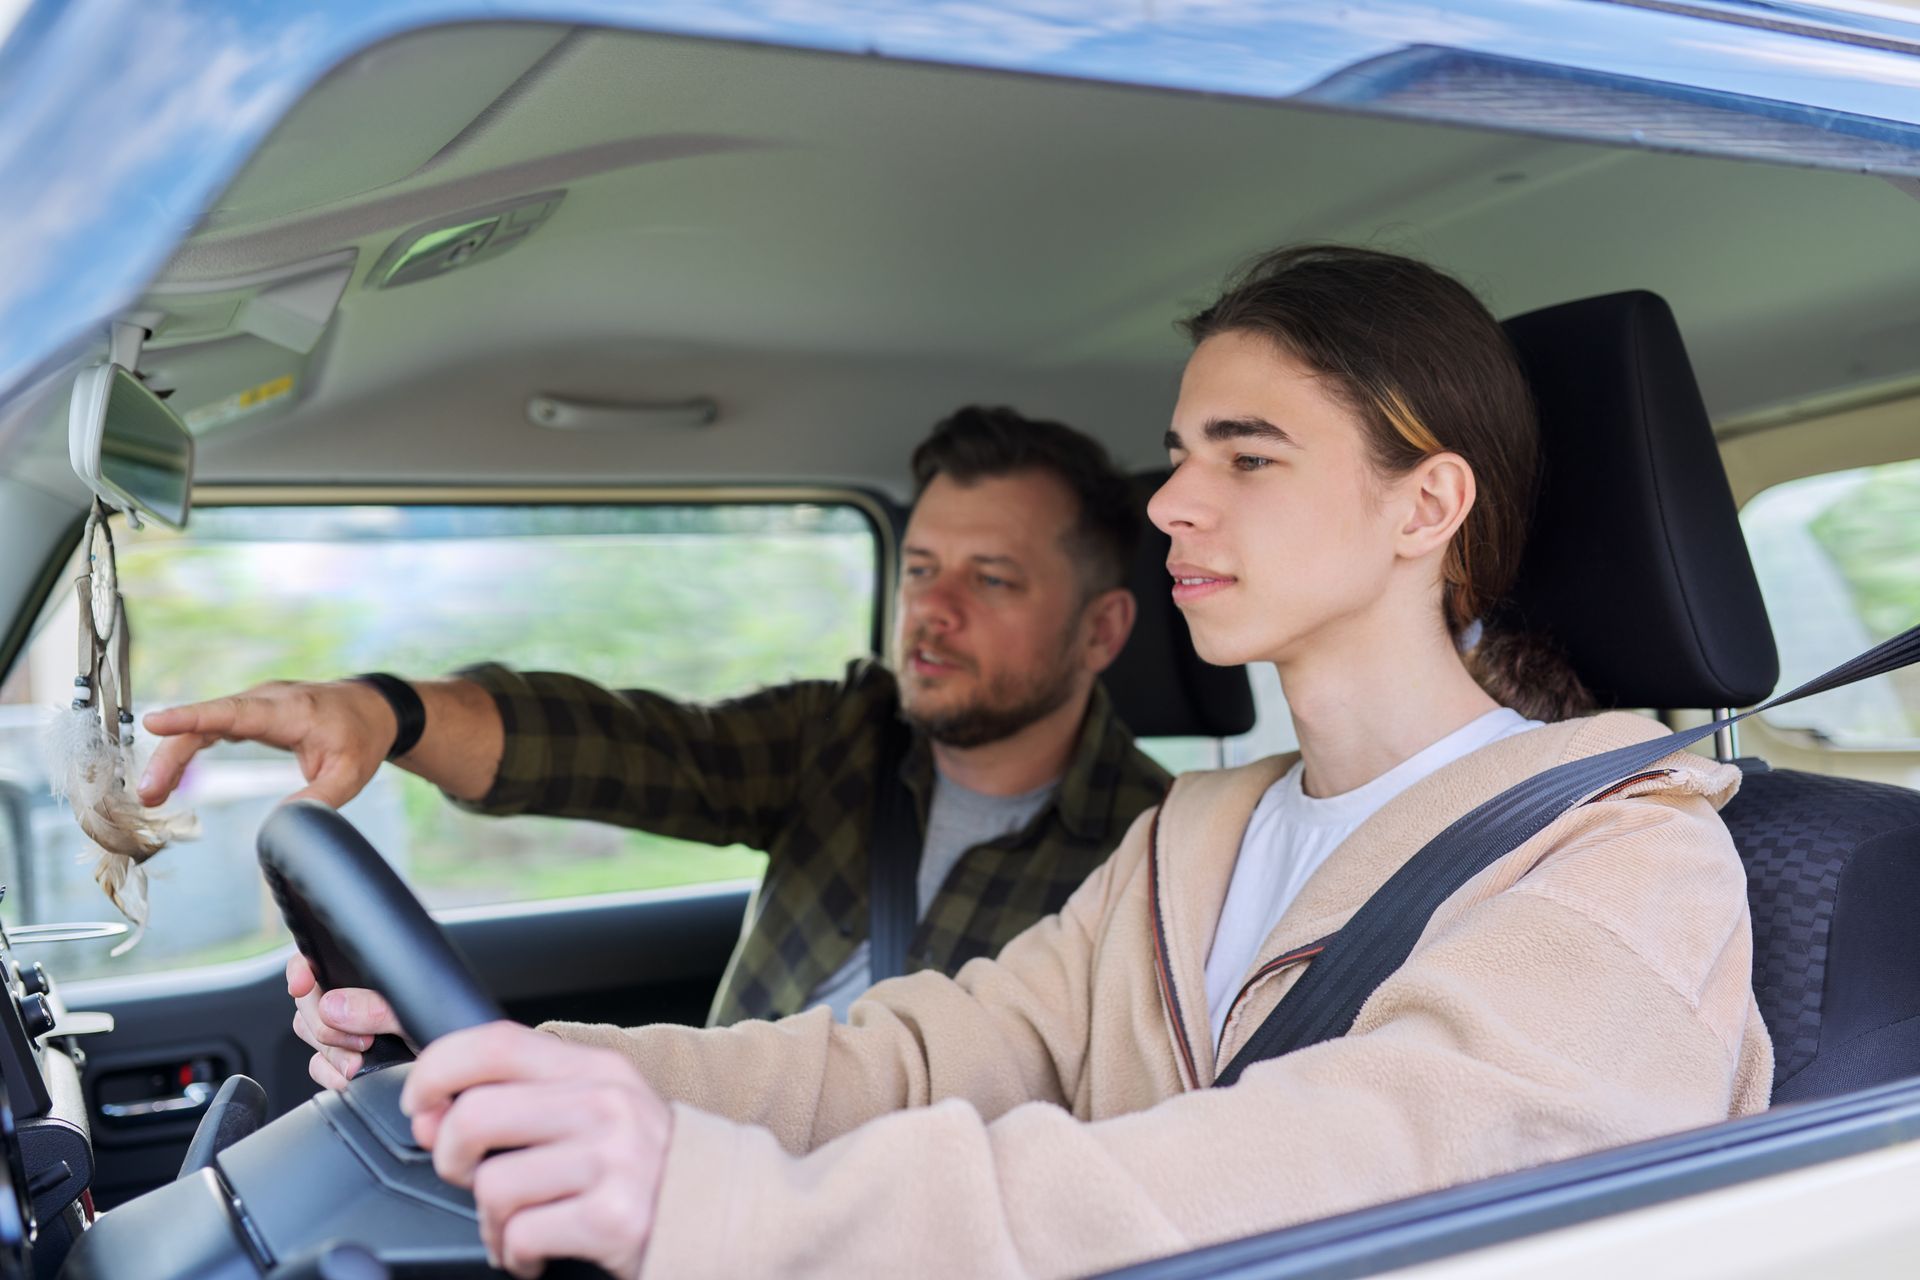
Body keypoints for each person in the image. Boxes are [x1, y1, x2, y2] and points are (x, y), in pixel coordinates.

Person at [286, 246, 1772, 1280]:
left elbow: (1335, 1178)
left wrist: (731, 1207)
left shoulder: (1624, 861)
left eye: (1247, 458)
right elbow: (922, 1059)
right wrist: (533, 1070)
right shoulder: (1198, 838)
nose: (1174, 500)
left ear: (1423, 504)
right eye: (1180, 452)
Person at [139, 407, 1171, 1031]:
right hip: (691, 1182)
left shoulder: (1164, 854)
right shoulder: (846, 736)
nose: (933, 611)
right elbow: (625, 747)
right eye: (921, 568)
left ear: (1102, 630)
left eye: (991, 579)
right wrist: (386, 711)